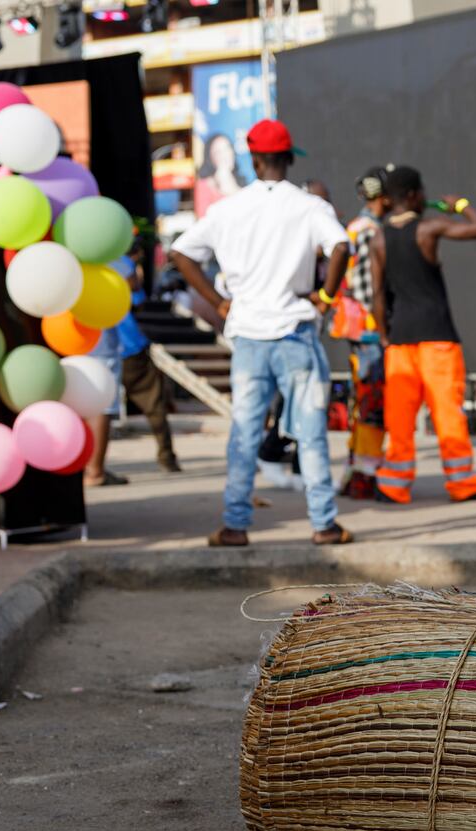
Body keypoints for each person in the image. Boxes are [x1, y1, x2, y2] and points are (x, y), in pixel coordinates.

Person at [169, 118, 354, 547]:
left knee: (245, 432)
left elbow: (180, 253)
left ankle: (235, 525)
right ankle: (323, 524)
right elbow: (342, 246)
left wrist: (217, 302)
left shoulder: (227, 208)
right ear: (288, 158)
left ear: (253, 160)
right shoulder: (309, 206)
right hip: (295, 330)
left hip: (249, 334)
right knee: (309, 433)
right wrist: (325, 296)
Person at [372, 166, 476, 504]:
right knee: (447, 413)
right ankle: (462, 484)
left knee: (399, 418)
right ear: (412, 195)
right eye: (421, 191)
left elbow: (378, 296)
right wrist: (461, 204)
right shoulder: (428, 227)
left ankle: (393, 485)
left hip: (399, 340)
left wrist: (384, 336)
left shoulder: (379, 238)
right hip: (437, 337)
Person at [84, 254, 180, 485]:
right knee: (151, 404)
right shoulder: (117, 259)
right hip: (122, 345)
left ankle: (87, 468)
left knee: (87, 407)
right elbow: (137, 297)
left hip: (82, 343)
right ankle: (166, 457)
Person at [330, 166, 391, 499]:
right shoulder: (369, 230)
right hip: (369, 330)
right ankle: (363, 476)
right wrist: (385, 329)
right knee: (372, 404)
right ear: (384, 197)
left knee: (363, 403)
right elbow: (370, 289)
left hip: (358, 328)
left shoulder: (358, 227)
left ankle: (355, 471)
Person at [194, 133, 245, 215]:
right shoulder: (204, 185)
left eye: (227, 148)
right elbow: (204, 218)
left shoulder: (241, 180)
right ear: (210, 158)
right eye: (218, 152)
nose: (225, 155)